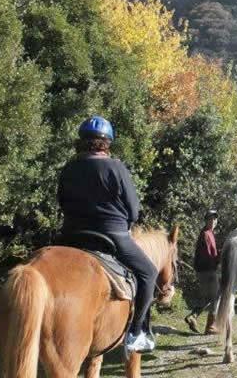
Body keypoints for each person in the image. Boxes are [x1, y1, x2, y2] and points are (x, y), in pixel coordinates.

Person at [57, 115, 157, 353]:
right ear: (107, 142)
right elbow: (133, 209)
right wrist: (127, 222)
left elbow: (61, 201)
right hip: (112, 235)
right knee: (149, 273)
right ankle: (136, 331)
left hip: (71, 235)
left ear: (81, 141)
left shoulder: (69, 168)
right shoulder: (116, 167)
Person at [185, 210, 221, 335]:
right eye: (210, 219)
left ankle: (193, 316)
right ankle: (211, 327)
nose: (213, 221)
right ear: (206, 220)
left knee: (208, 298)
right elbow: (208, 256)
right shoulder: (206, 234)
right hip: (207, 270)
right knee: (216, 297)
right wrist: (217, 262)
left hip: (204, 269)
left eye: (215, 219)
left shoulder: (209, 233)